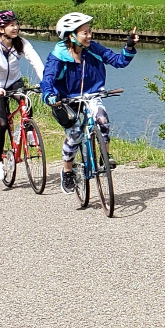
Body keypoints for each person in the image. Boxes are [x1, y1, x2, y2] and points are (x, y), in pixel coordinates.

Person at [41, 12, 138, 194]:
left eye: (90, 31)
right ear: (71, 36)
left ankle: (105, 157)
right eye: (84, 33)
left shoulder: (93, 48)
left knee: (102, 119)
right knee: (75, 134)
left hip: (92, 94)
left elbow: (118, 61)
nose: (89, 35)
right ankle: (68, 171)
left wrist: (129, 47)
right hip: (67, 99)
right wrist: (50, 96)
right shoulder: (58, 56)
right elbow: (48, 80)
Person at [0, 10, 45, 181]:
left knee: (26, 101)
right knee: (2, 123)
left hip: (14, 82)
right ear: (1, 29)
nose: (15, 27)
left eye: (16, 24)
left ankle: (26, 129)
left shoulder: (21, 43)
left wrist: (46, 81)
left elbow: (35, 60)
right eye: (11, 25)